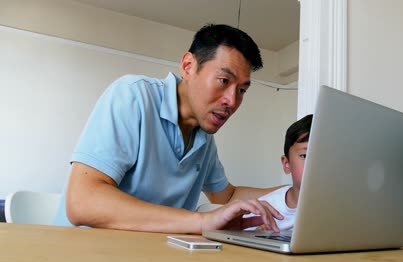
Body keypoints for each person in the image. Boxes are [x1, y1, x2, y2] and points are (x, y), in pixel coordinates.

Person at [54, 24, 284, 233]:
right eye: (224, 81)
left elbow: (229, 195)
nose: (232, 101)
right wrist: (202, 222)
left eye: (242, 90)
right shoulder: (133, 95)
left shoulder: (203, 139)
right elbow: (82, 201)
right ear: (188, 66)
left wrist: (295, 193)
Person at [245, 114, 313, 231]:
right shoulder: (263, 211)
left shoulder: (345, 208)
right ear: (287, 164)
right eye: (305, 156)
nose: (314, 163)